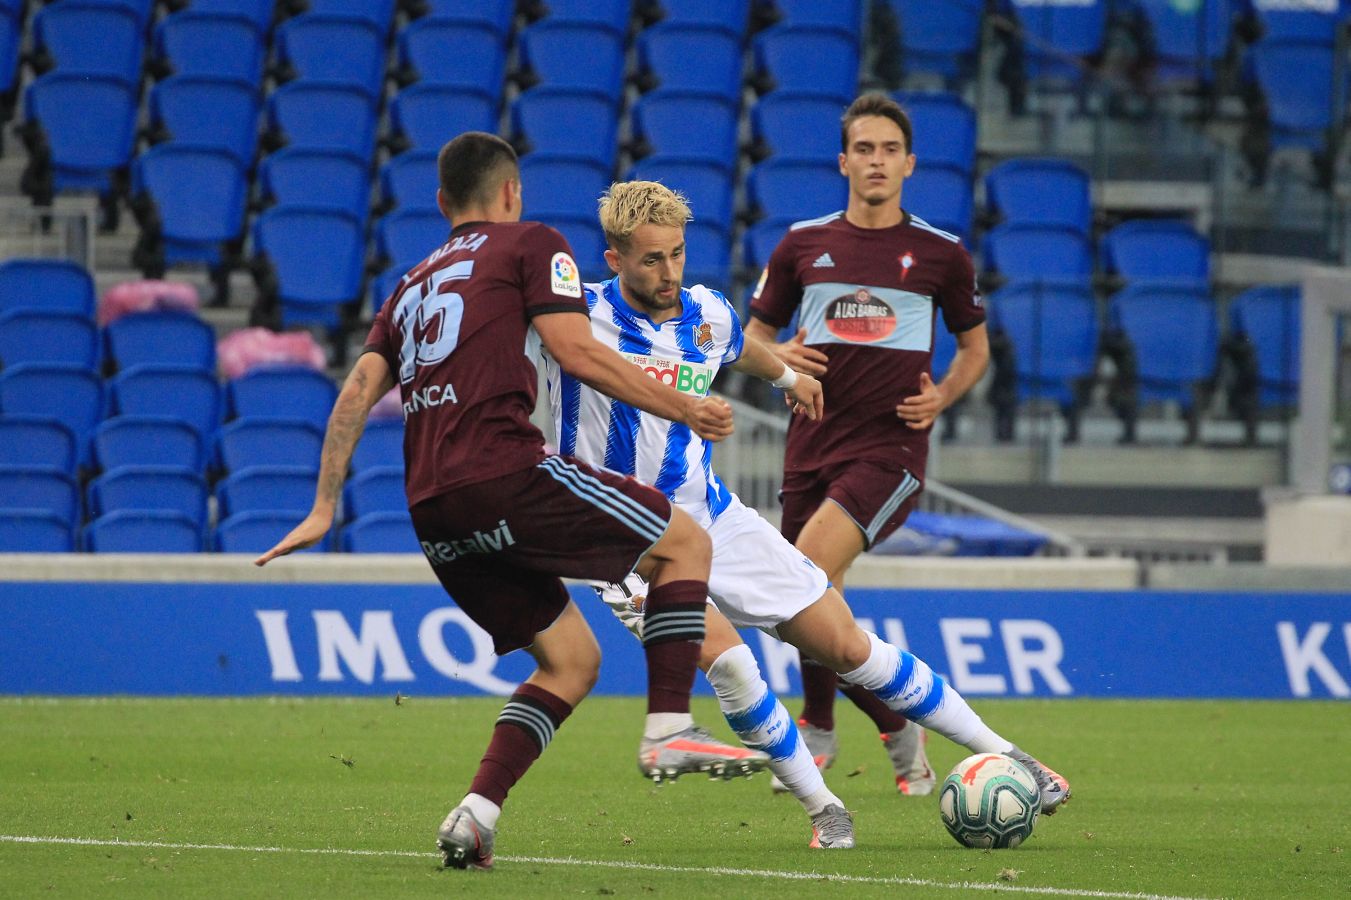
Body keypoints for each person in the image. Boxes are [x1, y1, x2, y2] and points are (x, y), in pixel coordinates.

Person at [255, 132, 736, 872]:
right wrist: (683, 409)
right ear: (512, 192)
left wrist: (324, 507)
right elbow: (576, 353)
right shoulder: (531, 242)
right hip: (503, 472)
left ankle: (474, 816)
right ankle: (669, 725)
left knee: (569, 663)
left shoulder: (410, 283)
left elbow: (356, 391)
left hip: (431, 507)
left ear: (443, 202)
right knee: (685, 544)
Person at [548, 180, 1071, 851]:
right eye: (651, 260)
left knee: (849, 645)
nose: (669, 272)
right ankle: (825, 808)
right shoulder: (576, 319)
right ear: (615, 259)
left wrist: (790, 378)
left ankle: (1015, 758)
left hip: (711, 517)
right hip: (619, 537)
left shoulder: (704, 311)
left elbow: (739, 344)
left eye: (677, 254)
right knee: (734, 665)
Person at [743, 92, 1011, 798]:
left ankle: (822, 728)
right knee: (804, 599)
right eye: (863, 149)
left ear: (909, 164)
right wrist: (782, 364)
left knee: (799, 580)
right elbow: (753, 339)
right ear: (843, 161)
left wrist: (942, 396)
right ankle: (885, 725)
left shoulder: (940, 254)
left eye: (889, 150)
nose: (876, 161)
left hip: (887, 454)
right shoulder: (800, 244)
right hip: (807, 448)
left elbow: (976, 348)